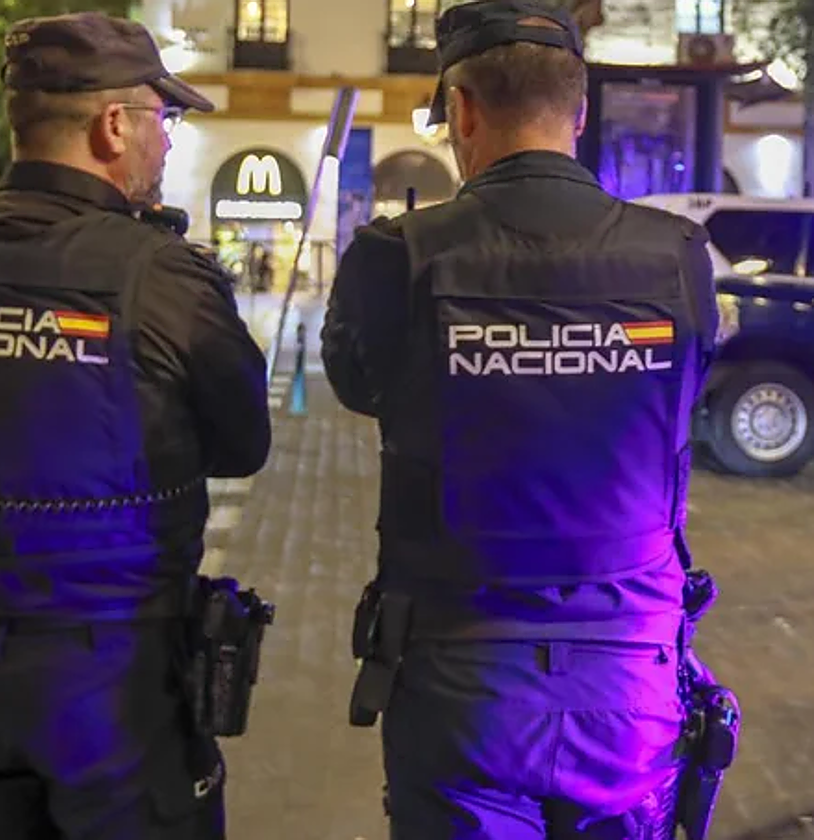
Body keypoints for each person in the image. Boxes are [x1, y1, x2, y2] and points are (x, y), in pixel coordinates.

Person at [322, 1, 720, 837]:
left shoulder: (398, 255)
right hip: (631, 672)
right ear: (579, 111)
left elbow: (358, 385)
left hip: (461, 674)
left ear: (460, 110)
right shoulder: (676, 256)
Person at [0, 11, 271, 839]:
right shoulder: (161, 276)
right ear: (113, 125)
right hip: (112, 678)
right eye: (162, 121)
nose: (166, 143)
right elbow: (242, 444)